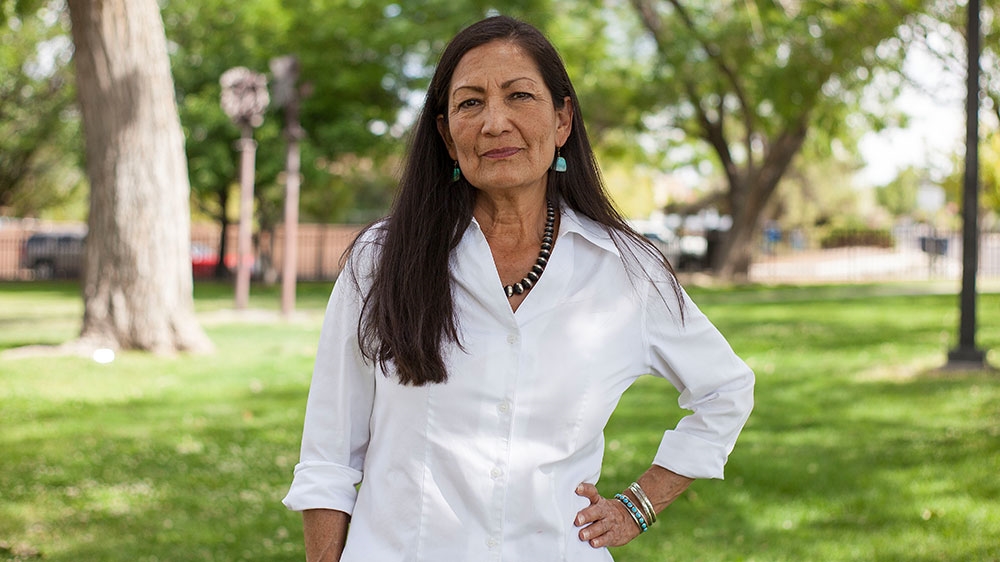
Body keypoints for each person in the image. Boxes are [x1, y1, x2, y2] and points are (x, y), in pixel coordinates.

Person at [282, 15, 754, 562]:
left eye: (519, 95)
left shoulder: (626, 271)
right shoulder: (381, 262)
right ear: (446, 134)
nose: (495, 122)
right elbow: (328, 458)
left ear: (562, 119)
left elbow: (725, 391)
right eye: (470, 103)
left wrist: (639, 505)